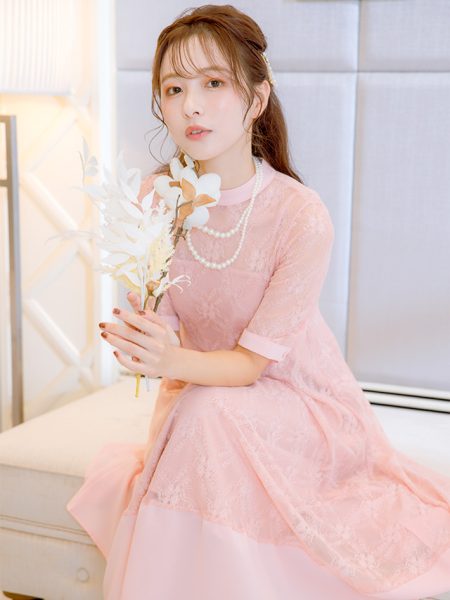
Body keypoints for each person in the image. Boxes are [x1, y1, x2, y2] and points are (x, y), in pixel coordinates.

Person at [66, 5, 450, 599]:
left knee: (208, 413)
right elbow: (158, 331)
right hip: (197, 395)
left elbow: (250, 365)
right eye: (174, 88)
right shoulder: (153, 200)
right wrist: (143, 344)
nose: (191, 106)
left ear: (257, 98)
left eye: (213, 83)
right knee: (203, 413)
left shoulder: (299, 216)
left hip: (296, 403)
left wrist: (170, 360)